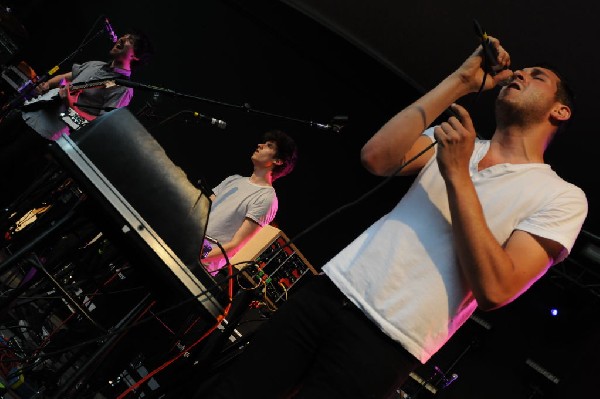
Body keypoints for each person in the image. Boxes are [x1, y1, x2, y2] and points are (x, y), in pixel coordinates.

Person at [202, 35, 588, 398]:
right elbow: (377, 158)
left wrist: (457, 176)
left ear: (560, 110)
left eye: (538, 76)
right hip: (329, 291)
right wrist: (461, 81)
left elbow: (497, 289)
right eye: (522, 70)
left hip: (389, 341)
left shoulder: (561, 196)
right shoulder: (456, 142)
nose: (520, 73)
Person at [0, 28, 154, 212]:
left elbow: (97, 128)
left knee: (6, 163)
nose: (122, 38)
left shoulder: (123, 90)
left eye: (129, 40)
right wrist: (48, 84)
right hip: (32, 111)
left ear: (135, 56)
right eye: (124, 35)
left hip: (46, 133)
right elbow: (68, 76)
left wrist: (69, 104)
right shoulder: (96, 64)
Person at [200, 129, 298, 277]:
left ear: (278, 161)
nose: (260, 145)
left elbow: (235, 246)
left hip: (202, 261)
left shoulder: (267, 198)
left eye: (269, 145)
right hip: (188, 239)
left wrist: (200, 255)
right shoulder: (234, 179)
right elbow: (203, 208)